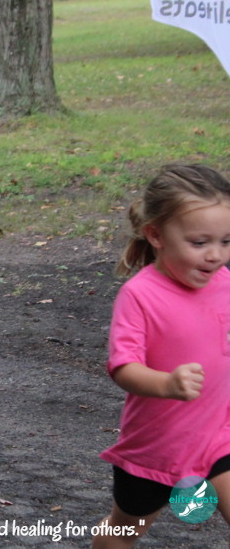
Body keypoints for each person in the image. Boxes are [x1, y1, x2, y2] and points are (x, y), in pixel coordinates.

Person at [94, 164, 230, 547]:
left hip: (218, 436)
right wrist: (167, 383)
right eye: (199, 242)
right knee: (124, 531)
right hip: (156, 449)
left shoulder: (224, 283)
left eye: (226, 241)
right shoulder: (141, 296)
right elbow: (123, 367)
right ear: (156, 235)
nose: (216, 255)